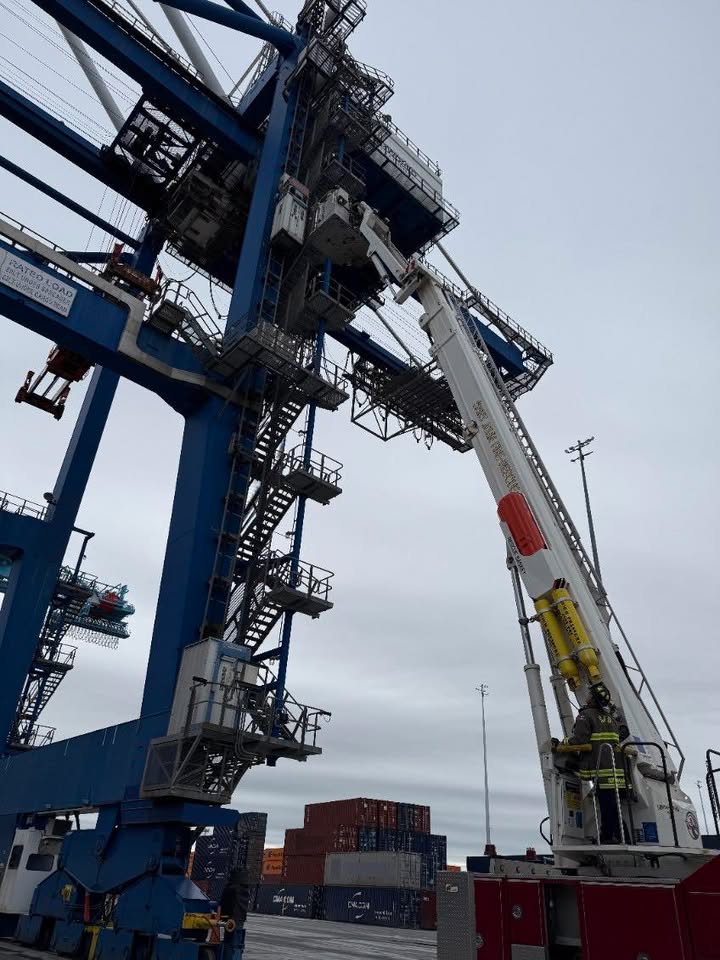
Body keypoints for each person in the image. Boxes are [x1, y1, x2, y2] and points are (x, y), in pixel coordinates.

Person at [566, 686, 627, 844]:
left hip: (600, 767)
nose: (586, 696)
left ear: (592, 698)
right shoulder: (610, 717)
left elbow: (580, 740)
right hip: (616, 767)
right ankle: (618, 835)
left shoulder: (585, 716)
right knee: (613, 804)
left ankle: (613, 837)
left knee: (608, 804)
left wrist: (563, 742)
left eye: (588, 694)